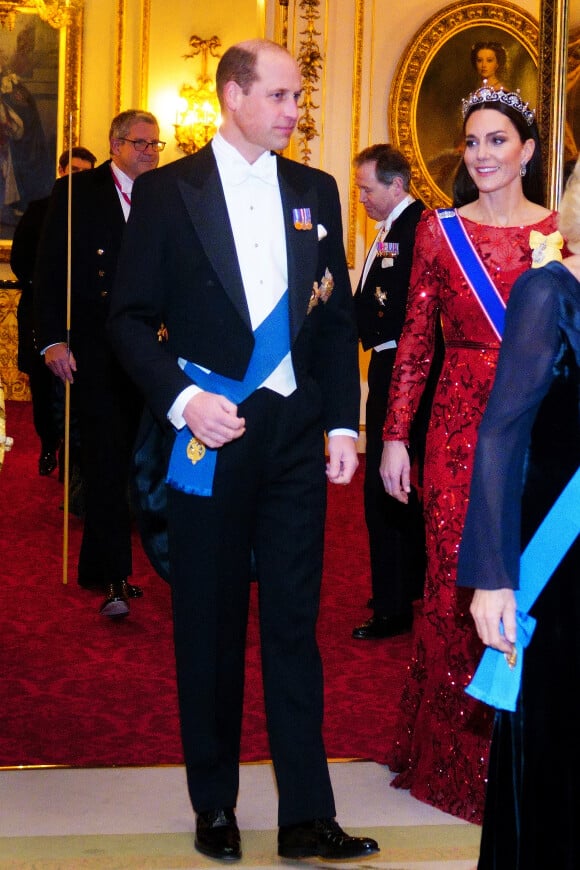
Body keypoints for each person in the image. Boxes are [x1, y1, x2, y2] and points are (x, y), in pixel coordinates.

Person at [108, 39, 380, 864]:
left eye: (297, 98)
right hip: (211, 436)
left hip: (297, 438)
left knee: (296, 626)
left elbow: (332, 325)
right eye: (283, 96)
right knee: (211, 625)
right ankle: (215, 806)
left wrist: (343, 425)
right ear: (233, 96)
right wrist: (187, 401)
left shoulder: (315, 189)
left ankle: (306, 814)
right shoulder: (164, 194)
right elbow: (126, 320)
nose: (297, 112)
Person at [379, 84, 560, 823]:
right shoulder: (437, 232)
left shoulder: (562, 232)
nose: (482, 154)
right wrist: (394, 435)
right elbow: (416, 345)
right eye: (473, 141)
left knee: (534, 573)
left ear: (528, 152)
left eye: (497, 141)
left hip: (544, 428)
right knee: (461, 580)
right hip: (456, 426)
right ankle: (456, 764)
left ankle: (528, 755)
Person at [457, 162, 579, 869]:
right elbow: (500, 435)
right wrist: (492, 578)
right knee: (557, 752)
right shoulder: (548, 291)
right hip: (561, 567)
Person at [34, 110, 163, 618]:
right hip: (97, 346)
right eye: (140, 143)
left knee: (146, 462)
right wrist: (52, 342)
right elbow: (49, 273)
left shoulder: (165, 194)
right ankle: (114, 574)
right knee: (107, 460)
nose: (151, 152)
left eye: (157, 144)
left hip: (154, 348)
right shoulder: (76, 193)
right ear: (115, 144)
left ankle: (105, 564)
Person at [351, 144, 426, 639]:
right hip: (388, 364)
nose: (361, 197)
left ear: (395, 185)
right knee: (398, 486)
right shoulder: (393, 229)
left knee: (386, 486)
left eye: (366, 188)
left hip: (402, 370)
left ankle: (393, 606)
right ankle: (403, 586)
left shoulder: (417, 228)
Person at [11, 146, 97, 478]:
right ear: (62, 171)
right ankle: (49, 444)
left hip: (82, 318)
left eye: (85, 172)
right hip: (40, 312)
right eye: (73, 170)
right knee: (44, 388)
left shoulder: (94, 212)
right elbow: (20, 261)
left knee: (78, 392)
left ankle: (73, 459)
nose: (79, 177)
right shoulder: (38, 211)